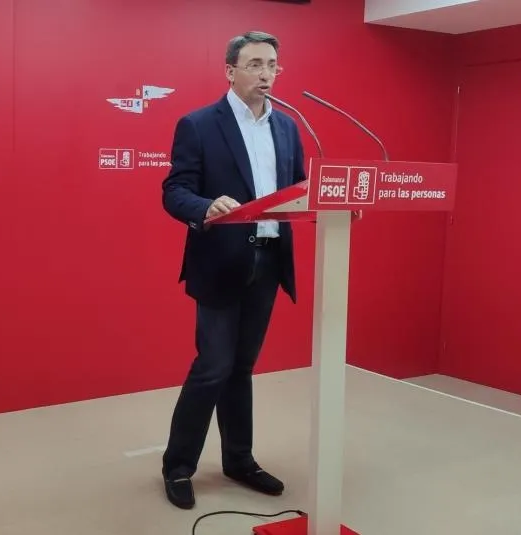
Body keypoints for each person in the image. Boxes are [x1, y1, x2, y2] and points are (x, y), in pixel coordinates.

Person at [159, 31, 306, 509]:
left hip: (268, 260)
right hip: (220, 262)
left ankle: (239, 460)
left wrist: (338, 204)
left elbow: (300, 190)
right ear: (231, 71)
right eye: (256, 64)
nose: (267, 73)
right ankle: (178, 466)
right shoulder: (199, 125)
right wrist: (205, 205)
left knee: (241, 368)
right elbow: (175, 191)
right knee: (213, 367)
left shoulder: (287, 128)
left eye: (273, 65)